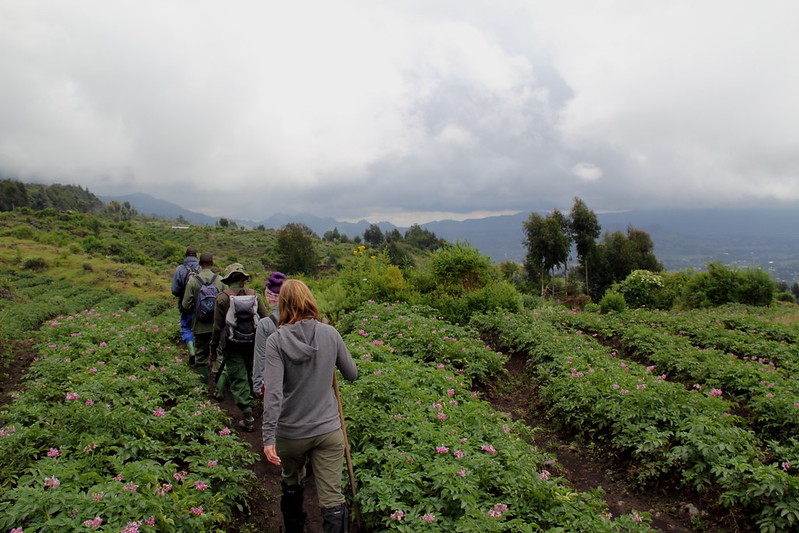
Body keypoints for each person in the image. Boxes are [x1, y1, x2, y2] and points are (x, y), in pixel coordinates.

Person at [262, 279, 358, 533]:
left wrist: (268, 437)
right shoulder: (330, 333)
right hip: (328, 430)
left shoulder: (276, 341)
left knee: (291, 482)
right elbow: (352, 374)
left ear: (282, 304)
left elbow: (272, 393)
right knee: (332, 497)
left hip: (290, 433)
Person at [210, 263, 270, 431]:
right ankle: (257, 402)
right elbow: (266, 320)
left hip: (231, 345)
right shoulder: (255, 296)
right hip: (253, 343)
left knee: (238, 377)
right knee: (253, 372)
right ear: (243, 279)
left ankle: (248, 414)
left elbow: (217, 327)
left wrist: (213, 348)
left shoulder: (222, 298)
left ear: (228, 280)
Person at [182, 252, 227, 392]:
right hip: (218, 326)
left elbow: (185, 305)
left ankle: (205, 388)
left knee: (201, 355)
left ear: (200, 264)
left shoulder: (194, 281)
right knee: (219, 355)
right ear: (212, 263)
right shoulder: (220, 280)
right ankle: (219, 391)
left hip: (199, 325)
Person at [253, 271, 286, 399]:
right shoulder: (296, 319)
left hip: (272, 381)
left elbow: (260, 356)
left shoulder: (265, 324)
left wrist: (257, 384)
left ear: (268, 296)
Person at [171, 247, 200, 363]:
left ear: (186, 256)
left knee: (186, 327)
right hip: (201, 306)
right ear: (196, 256)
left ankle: (191, 351)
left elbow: (175, 290)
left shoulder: (180, 269)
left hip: (185, 304)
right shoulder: (202, 268)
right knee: (198, 328)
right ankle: (200, 352)